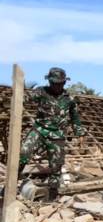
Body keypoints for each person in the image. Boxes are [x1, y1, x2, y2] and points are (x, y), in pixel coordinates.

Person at [18, 67, 86, 201]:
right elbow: (23, 100)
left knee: (56, 164)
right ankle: (11, 183)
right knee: (23, 152)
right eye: (53, 83)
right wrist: (20, 91)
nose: (56, 86)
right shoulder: (41, 92)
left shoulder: (69, 99)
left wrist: (80, 133)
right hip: (39, 130)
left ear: (64, 83)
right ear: (49, 82)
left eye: (59, 83)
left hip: (57, 135)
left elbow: (75, 117)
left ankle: (52, 193)